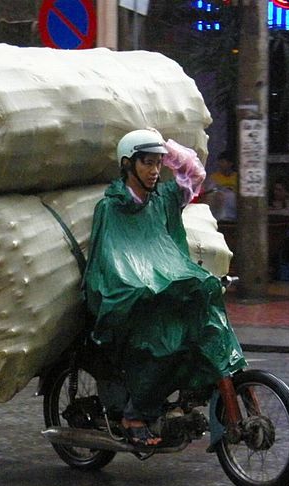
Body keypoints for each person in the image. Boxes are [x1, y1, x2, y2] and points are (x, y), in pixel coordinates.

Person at [83, 129, 246, 447]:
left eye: (159, 164)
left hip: (165, 293)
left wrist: (165, 147)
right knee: (166, 341)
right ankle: (134, 414)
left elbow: (194, 174)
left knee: (205, 328)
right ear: (128, 165)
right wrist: (140, 285)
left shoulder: (164, 198)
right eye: (147, 163)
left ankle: (183, 401)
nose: (156, 171)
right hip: (128, 301)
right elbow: (109, 261)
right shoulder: (112, 207)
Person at [202, 149, 237, 221]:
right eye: (219, 162)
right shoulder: (213, 178)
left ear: (230, 163)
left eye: (222, 162)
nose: (220, 164)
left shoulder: (238, 178)